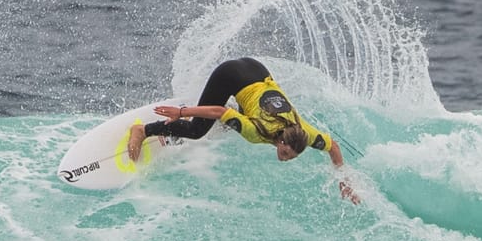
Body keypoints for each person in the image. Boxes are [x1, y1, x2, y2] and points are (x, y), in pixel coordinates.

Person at [129, 56, 360, 202]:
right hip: (230, 75)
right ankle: (144, 131)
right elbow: (219, 111)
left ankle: (220, 112)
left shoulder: (304, 133)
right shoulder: (256, 132)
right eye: (286, 153)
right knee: (198, 130)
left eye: (291, 157)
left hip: (258, 70)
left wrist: (344, 181)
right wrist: (181, 112)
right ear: (281, 142)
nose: (286, 158)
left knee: (234, 122)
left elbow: (333, 146)